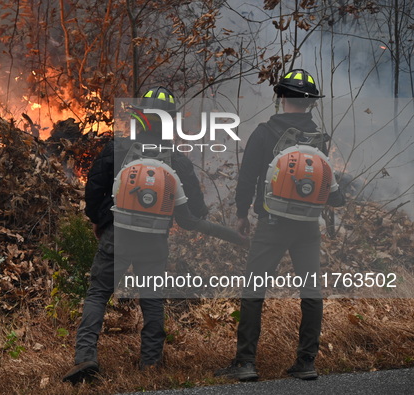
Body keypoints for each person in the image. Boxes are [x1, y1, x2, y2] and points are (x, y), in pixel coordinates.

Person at [63, 86, 247, 385]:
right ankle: (150, 365)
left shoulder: (116, 149)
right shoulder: (178, 161)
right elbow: (195, 214)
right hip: (154, 241)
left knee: (98, 294)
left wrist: (99, 221)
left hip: (116, 234)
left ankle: (86, 358)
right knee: (152, 301)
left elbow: (94, 190)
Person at [215, 69, 345, 382]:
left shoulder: (263, 132)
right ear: (312, 102)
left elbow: (248, 176)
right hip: (307, 226)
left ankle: (246, 363)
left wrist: (242, 213)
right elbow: (331, 190)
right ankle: (306, 362)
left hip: (272, 223)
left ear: (281, 97)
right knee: (311, 292)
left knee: (254, 290)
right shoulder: (319, 139)